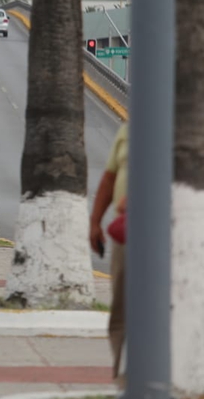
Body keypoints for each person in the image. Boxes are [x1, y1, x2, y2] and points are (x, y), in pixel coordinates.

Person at [89, 123, 128, 385]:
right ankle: (126, 382)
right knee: (122, 312)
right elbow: (110, 177)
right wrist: (95, 222)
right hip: (127, 234)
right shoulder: (130, 127)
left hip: (180, 234)